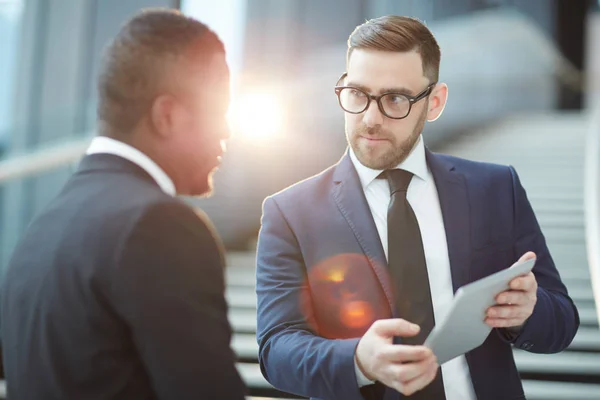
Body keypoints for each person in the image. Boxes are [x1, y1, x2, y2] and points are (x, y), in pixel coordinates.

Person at [255, 15, 579, 400]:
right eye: (357, 94)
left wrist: (528, 311)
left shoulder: (495, 188)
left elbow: (562, 322)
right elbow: (276, 350)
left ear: (435, 102)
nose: (370, 119)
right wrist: (357, 360)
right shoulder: (289, 213)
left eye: (394, 99)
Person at [0, 9, 246, 400]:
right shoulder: (160, 227)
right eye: (218, 111)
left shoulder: (42, 227)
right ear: (167, 115)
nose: (227, 131)